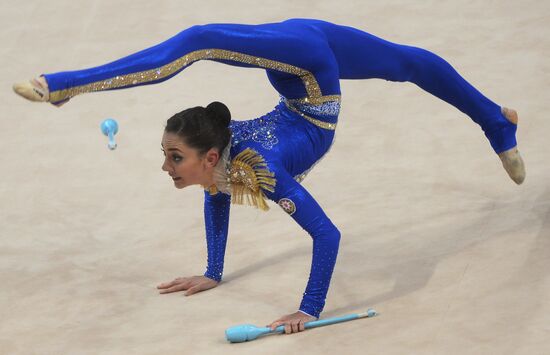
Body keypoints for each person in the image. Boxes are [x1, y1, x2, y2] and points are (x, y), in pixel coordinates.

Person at [13, 18, 525, 335]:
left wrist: (309, 309)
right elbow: (215, 196)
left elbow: (327, 234)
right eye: (168, 156)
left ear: (211, 157)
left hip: (309, 74)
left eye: (174, 157)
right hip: (302, 66)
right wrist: (213, 272)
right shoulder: (224, 166)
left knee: (198, 39)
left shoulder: (259, 170)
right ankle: (496, 120)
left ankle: (67, 85)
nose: (166, 167)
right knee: (408, 63)